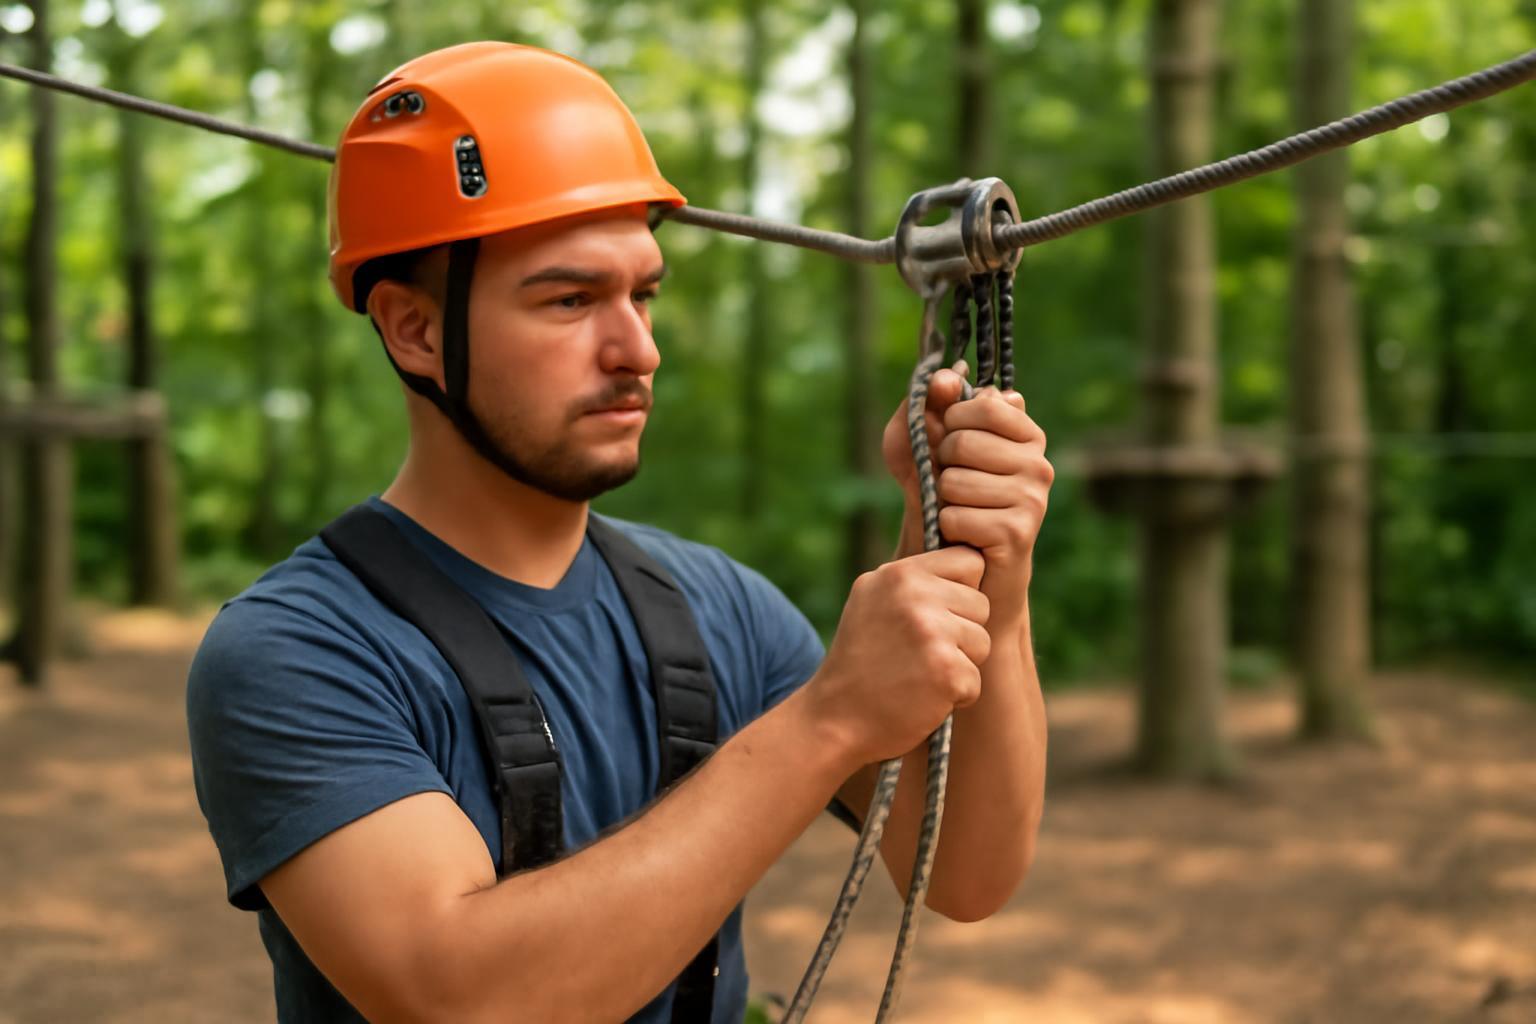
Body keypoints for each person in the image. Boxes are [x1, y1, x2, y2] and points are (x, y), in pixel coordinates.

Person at [186, 41, 1051, 1024]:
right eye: (570, 300)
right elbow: (457, 996)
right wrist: (829, 719)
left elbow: (965, 873)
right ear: (414, 330)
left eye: (643, 295)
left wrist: (990, 576)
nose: (637, 350)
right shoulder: (298, 650)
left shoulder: (722, 607)